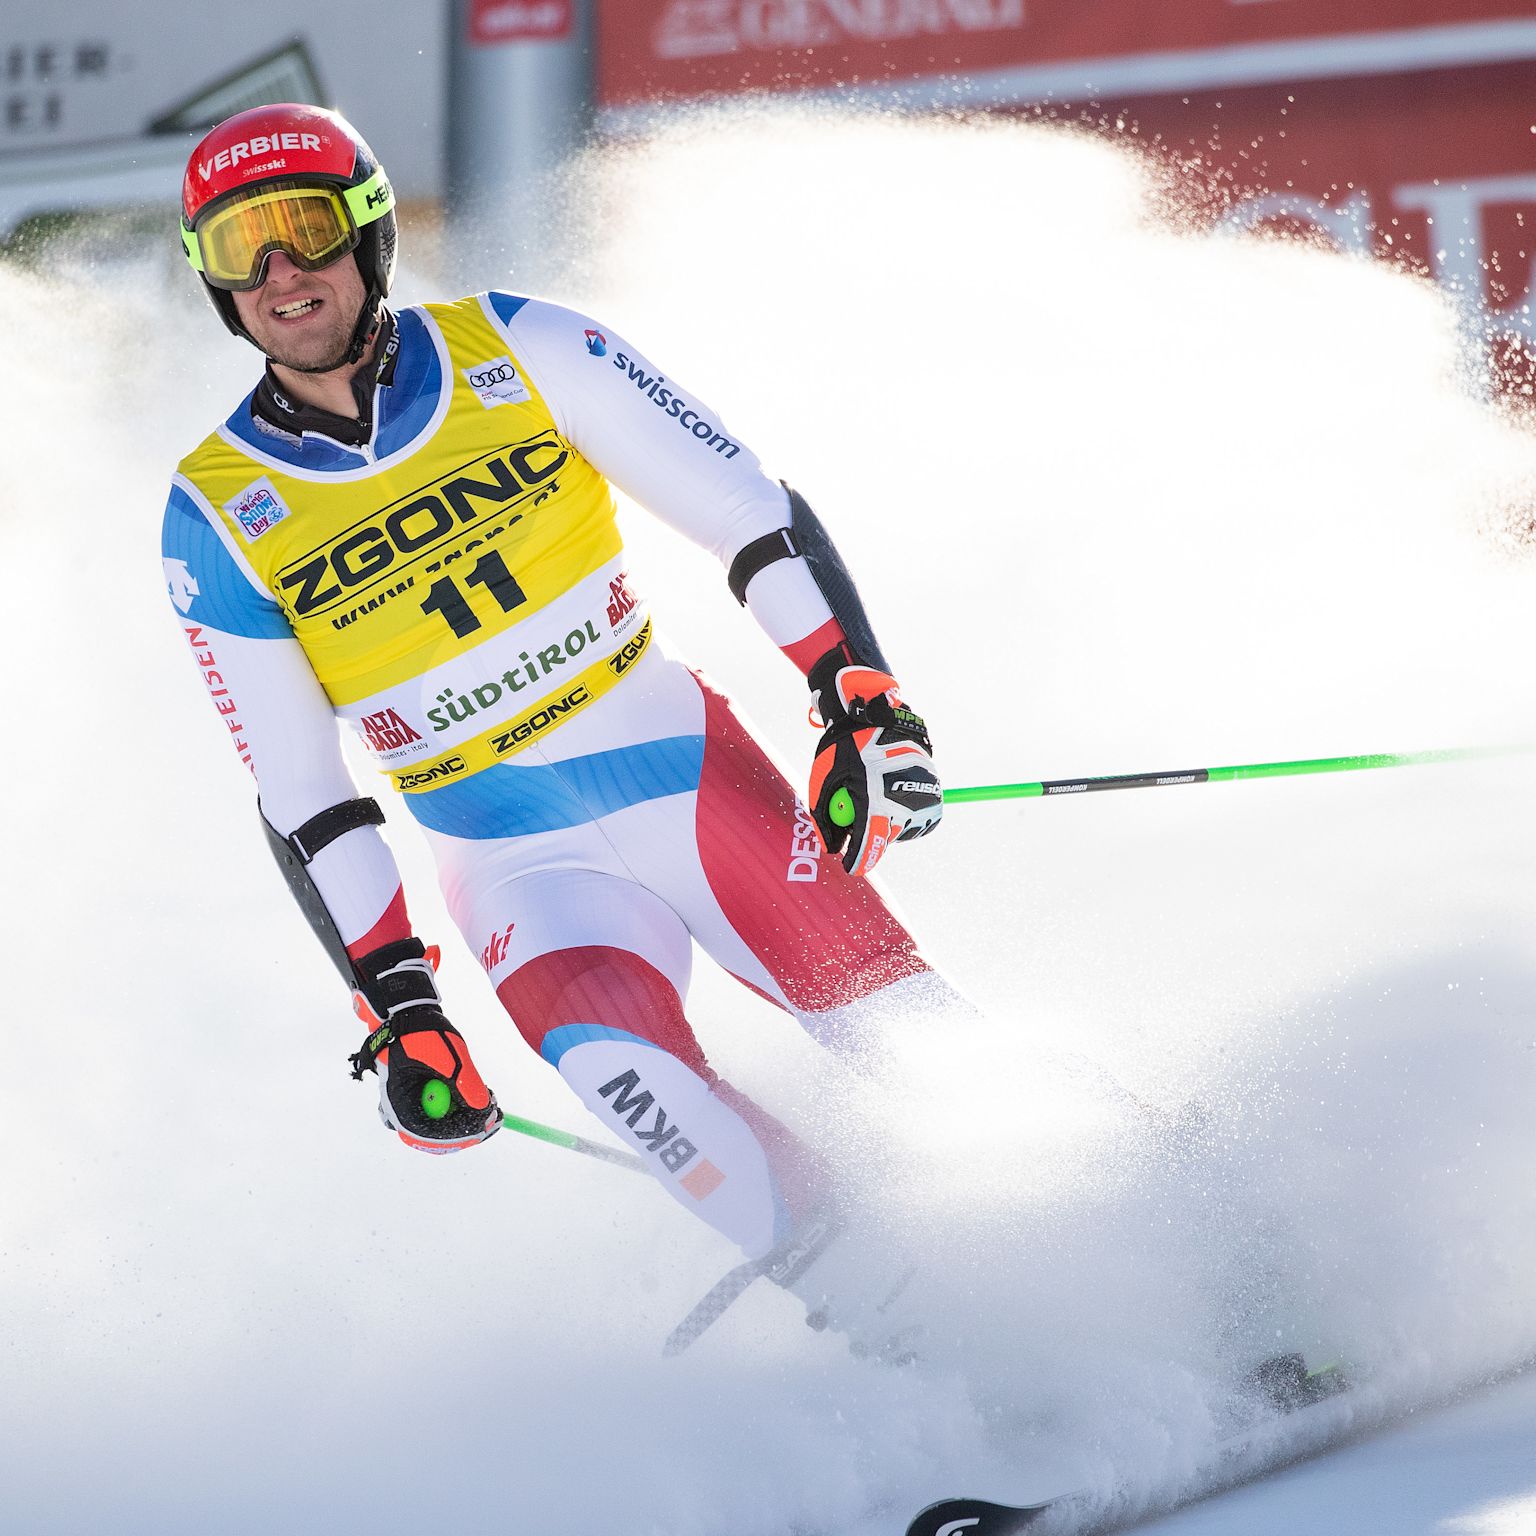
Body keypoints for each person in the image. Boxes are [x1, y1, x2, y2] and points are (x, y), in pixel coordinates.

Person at [162, 103, 947, 1356]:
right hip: (517, 866)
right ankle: (966, 1347)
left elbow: (752, 515)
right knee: (644, 1097)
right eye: (239, 246)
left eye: (304, 230)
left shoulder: (519, 343)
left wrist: (857, 696)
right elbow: (308, 799)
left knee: (918, 1051)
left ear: (367, 232)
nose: (278, 274)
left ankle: (1222, 1263)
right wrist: (401, 1005)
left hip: (688, 785)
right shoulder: (215, 512)